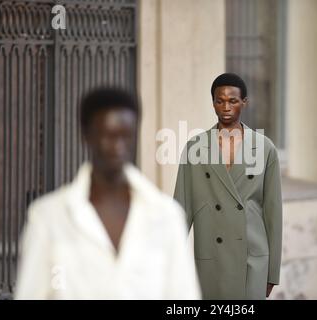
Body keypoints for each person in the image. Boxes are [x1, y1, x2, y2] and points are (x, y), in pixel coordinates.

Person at [15, 87, 201, 299]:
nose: (118, 146)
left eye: (126, 136)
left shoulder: (166, 215)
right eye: (108, 136)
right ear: (86, 135)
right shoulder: (48, 218)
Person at [174, 73, 283, 299]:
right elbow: (181, 210)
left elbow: (273, 213)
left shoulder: (265, 148)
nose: (226, 107)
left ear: (244, 102)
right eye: (219, 100)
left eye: (233, 101)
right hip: (211, 258)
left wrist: (272, 272)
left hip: (251, 259)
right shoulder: (195, 147)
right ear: (212, 103)